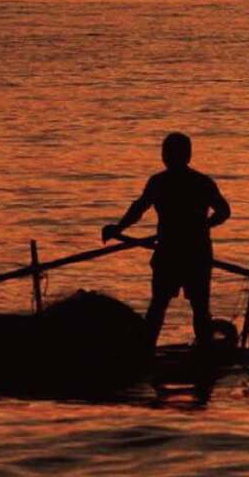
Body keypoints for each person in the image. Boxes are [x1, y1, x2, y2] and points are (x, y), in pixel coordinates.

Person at [102, 132, 230, 349]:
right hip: (175, 251)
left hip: (190, 252)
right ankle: (150, 350)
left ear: (184, 155)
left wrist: (200, 227)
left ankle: (198, 351)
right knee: (165, 305)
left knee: (189, 307)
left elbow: (224, 211)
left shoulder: (186, 182)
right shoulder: (169, 182)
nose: (167, 157)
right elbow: (139, 208)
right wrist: (118, 228)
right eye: (166, 153)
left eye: (170, 153)